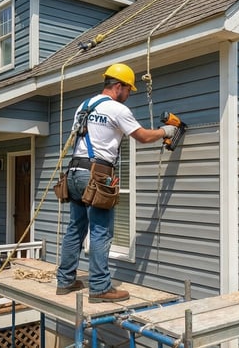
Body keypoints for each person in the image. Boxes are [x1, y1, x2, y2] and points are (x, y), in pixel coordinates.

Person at [56, 63, 178, 303]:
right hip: (97, 174)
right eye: (128, 90)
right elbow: (142, 137)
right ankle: (100, 287)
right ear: (118, 86)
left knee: (75, 228)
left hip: (74, 173)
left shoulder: (84, 106)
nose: (128, 95)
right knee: (101, 230)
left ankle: (65, 281)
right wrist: (166, 131)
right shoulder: (117, 109)